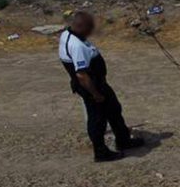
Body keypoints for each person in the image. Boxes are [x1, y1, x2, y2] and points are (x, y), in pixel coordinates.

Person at [58, 11, 143, 162]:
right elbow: (81, 74)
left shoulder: (70, 34)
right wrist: (95, 93)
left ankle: (123, 140)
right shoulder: (76, 46)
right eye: (90, 28)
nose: (92, 31)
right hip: (91, 86)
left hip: (98, 83)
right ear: (82, 27)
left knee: (114, 109)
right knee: (97, 119)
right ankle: (101, 152)